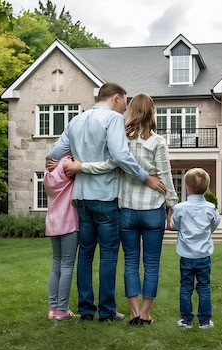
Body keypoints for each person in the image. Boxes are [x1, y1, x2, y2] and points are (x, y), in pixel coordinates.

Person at [45, 82, 166, 322]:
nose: (125, 109)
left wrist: (72, 163)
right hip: (105, 197)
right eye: (125, 102)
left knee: (86, 254)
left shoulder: (76, 121)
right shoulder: (112, 119)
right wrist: (146, 178)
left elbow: (53, 155)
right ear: (117, 98)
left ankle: (87, 310)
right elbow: (121, 156)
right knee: (109, 255)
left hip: (80, 198)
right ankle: (107, 311)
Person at [70, 93, 178, 326]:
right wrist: (172, 206)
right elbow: (166, 176)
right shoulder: (158, 142)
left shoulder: (123, 140)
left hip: (127, 210)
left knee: (130, 261)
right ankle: (146, 314)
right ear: (152, 112)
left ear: (132, 112)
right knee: (151, 262)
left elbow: (112, 165)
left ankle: (134, 312)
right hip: (152, 210)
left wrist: (82, 166)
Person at [170, 168, 220, 329]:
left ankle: (186, 321)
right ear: (206, 188)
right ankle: (205, 321)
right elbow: (215, 224)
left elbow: (173, 225)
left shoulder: (180, 208)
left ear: (187, 187)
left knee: (186, 287)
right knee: (204, 287)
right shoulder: (210, 208)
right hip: (204, 256)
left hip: (186, 256)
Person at [43, 155, 78, 320]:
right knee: (67, 266)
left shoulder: (47, 173)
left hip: (53, 223)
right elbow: (83, 166)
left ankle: (53, 309)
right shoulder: (67, 166)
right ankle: (62, 310)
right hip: (69, 223)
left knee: (56, 264)